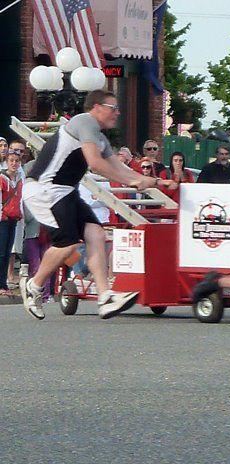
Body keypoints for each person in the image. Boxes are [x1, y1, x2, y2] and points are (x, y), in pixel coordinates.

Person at [20, 90, 177, 320]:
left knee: (96, 233)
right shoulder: (84, 122)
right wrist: (134, 180)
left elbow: (120, 169)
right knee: (67, 244)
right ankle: (33, 285)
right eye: (113, 107)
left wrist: (154, 181)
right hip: (45, 188)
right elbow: (95, 164)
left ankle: (105, 297)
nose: (117, 112)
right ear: (96, 107)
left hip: (64, 190)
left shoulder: (100, 138)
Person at [0, 149, 23, 295]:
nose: (14, 163)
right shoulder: (2, 178)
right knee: (1, 252)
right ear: (7, 162)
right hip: (3, 219)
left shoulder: (20, 179)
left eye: (16, 161)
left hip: (14, 218)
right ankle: (1, 285)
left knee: (7, 253)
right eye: (11, 161)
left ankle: (3, 285)